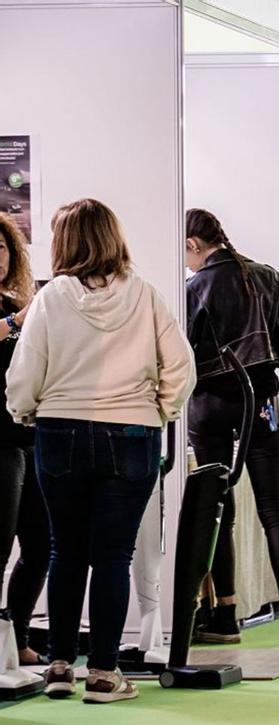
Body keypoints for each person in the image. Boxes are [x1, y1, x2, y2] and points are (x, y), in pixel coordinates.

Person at [7, 198, 195, 703]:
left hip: (59, 432)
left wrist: (25, 411)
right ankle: (106, 673)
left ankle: (61, 665)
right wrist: (161, 410)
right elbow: (181, 366)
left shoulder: (50, 300)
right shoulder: (147, 296)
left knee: (64, 552)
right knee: (113, 555)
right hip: (132, 432)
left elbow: (25, 373)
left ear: (64, 242)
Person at [184, 209, 279, 646]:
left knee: (220, 511)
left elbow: (186, 354)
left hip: (209, 406)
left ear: (193, 245)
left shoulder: (193, 288)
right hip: (263, 404)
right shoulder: (269, 277)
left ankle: (225, 616)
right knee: (275, 510)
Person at [0, 214, 48, 667]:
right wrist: (19, 319)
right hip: (1, 445)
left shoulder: (15, 303)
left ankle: (15, 637)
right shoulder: (15, 314)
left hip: (29, 437)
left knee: (40, 543)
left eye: (1, 247)